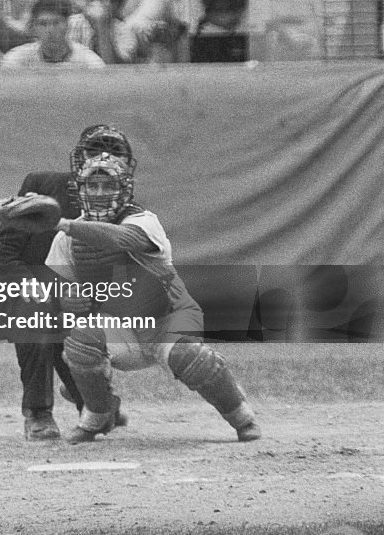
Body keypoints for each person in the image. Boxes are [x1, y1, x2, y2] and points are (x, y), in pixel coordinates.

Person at [43, 125, 262, 444]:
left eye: (109, 185)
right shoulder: (66, 239)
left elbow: (121, 239)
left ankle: (241, 416)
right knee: (79, 342)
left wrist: (65, 223)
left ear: (125, 189)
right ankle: (99, 414)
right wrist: (65, 299)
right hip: (118, 328)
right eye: (94, 185)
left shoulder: (143, 221)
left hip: (164, 322)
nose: (101, 192)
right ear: (81, 190)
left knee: (190, 357)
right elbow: (55, 294)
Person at [0, 166, 86, 440]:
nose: (102, 161)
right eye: (93, 153)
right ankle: (39, 412)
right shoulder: (47, 187)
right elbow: (1, 254)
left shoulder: (125, 209)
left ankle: (92, 399)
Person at [1, 0, 104, 66]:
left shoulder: (88, 61)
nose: (50, 30)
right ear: (34, 27)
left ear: (67, 25)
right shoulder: (17, 58)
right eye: (43, 24)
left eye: (56, 23)